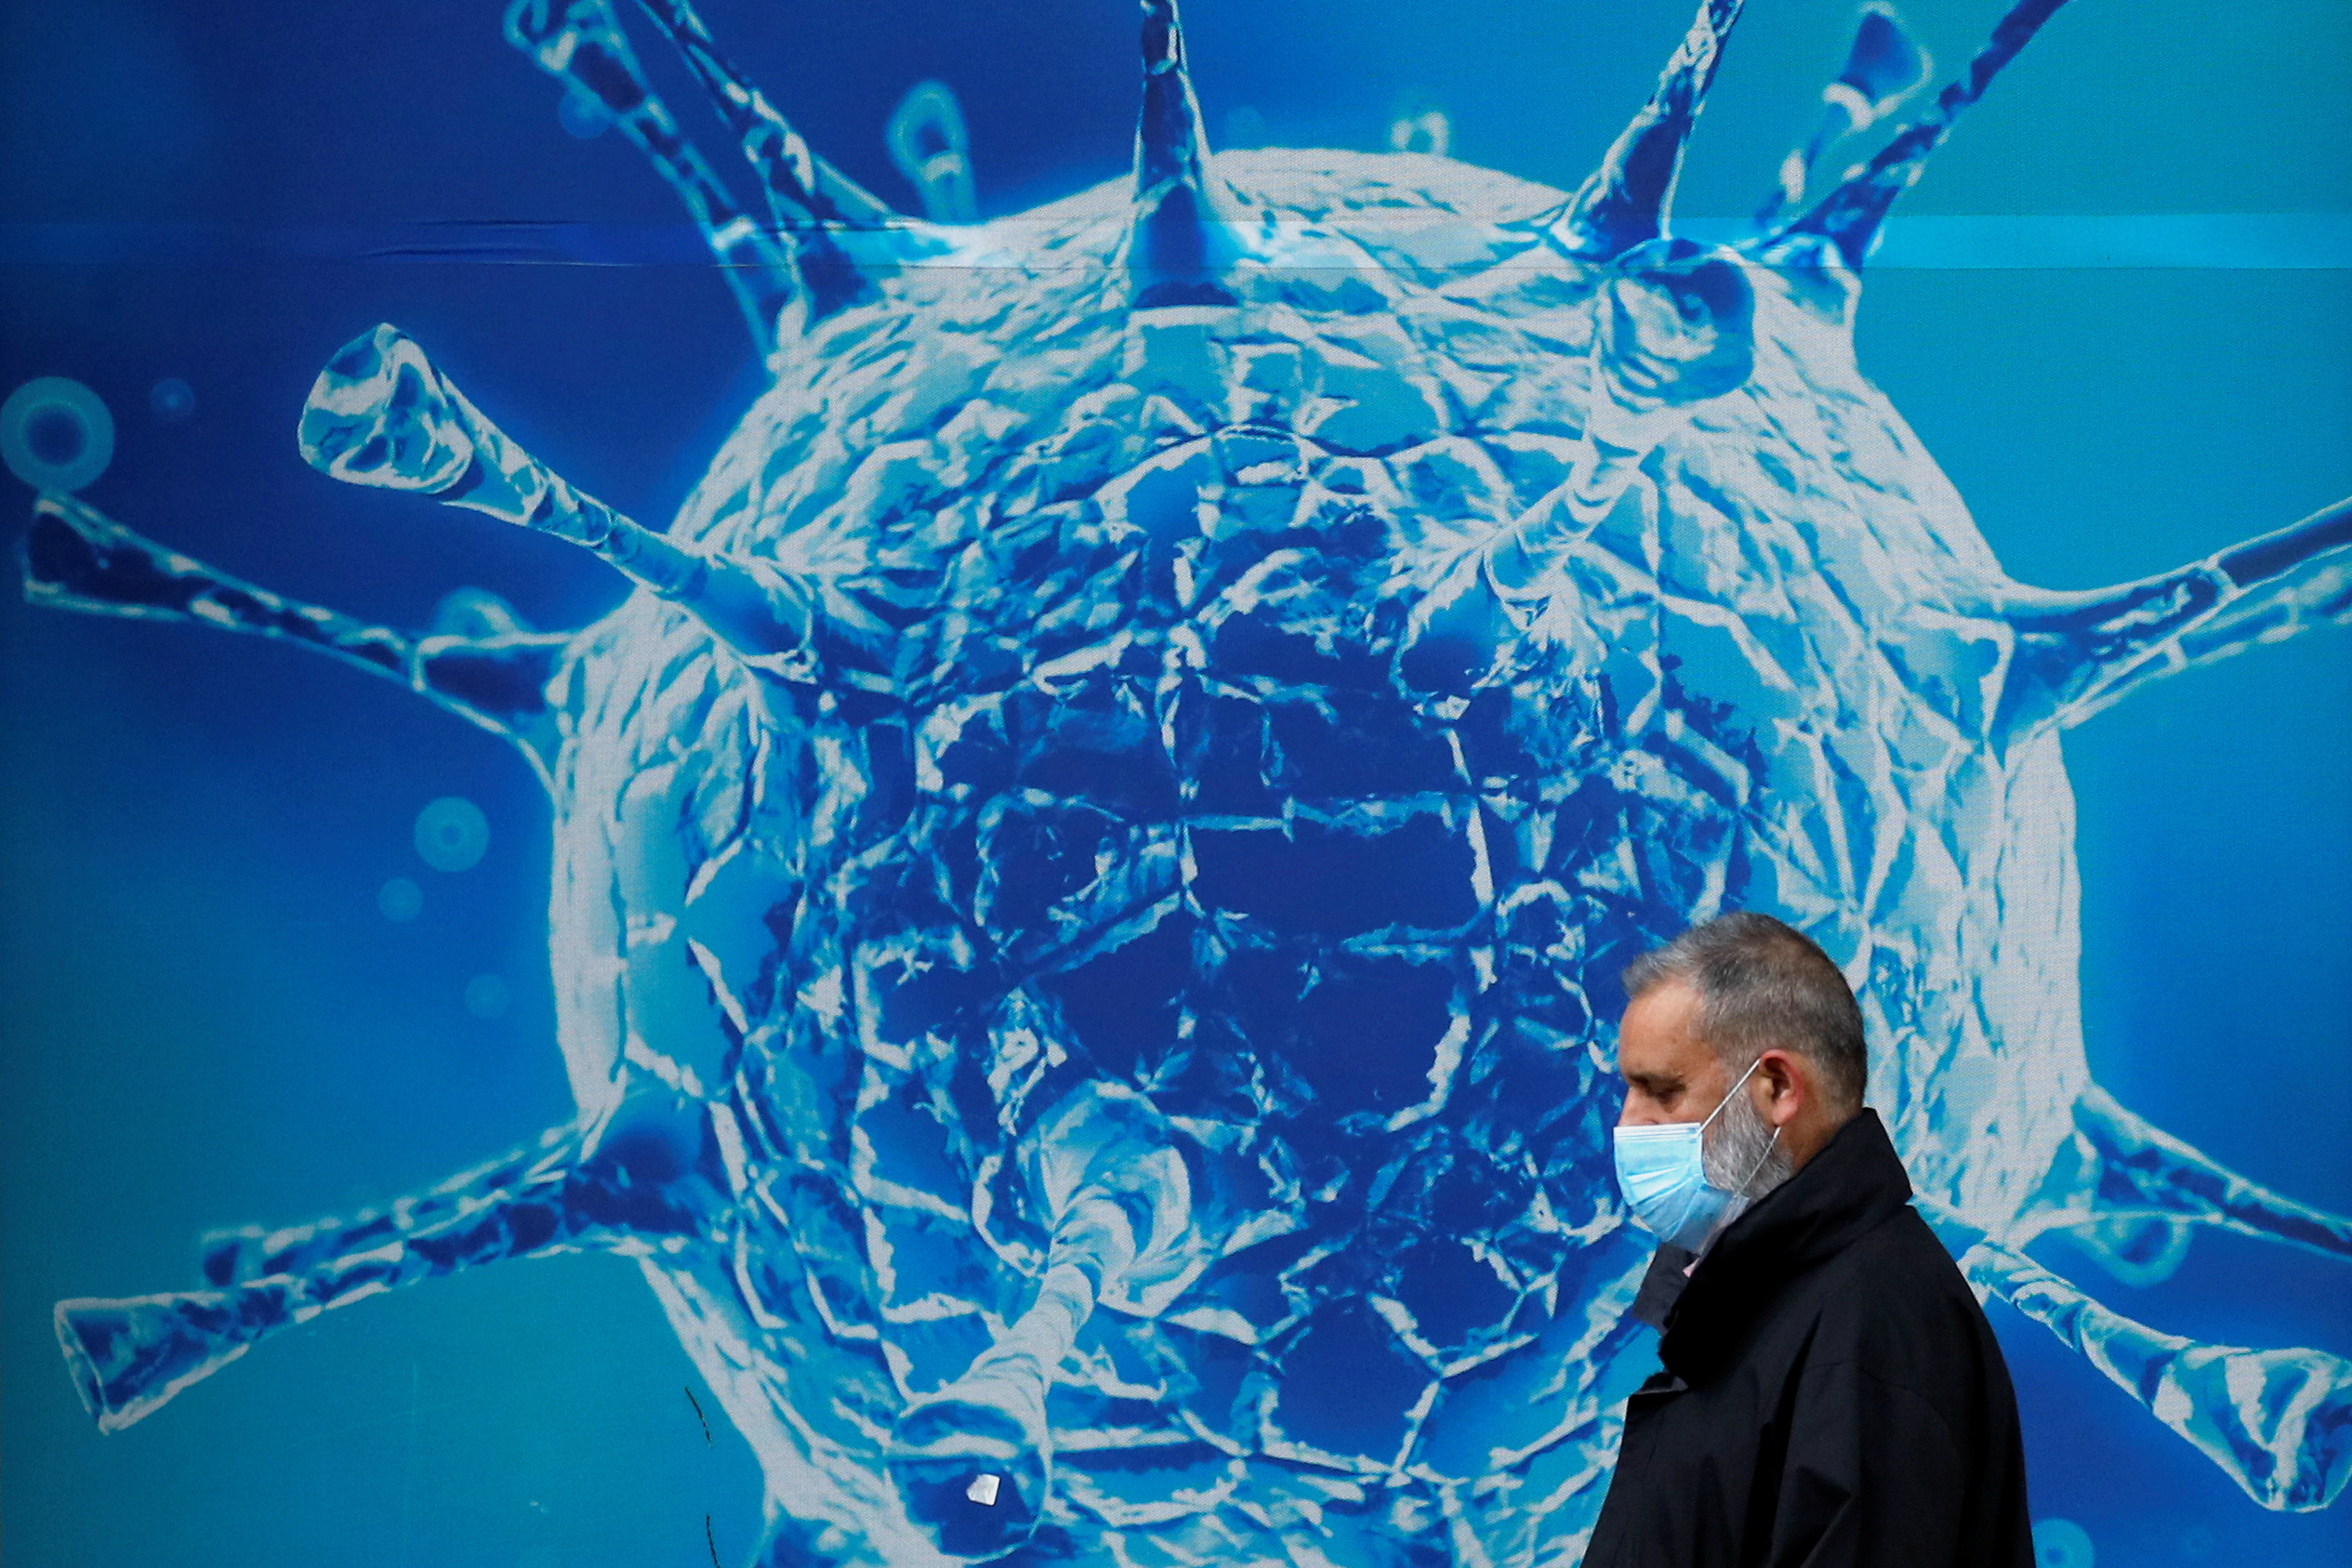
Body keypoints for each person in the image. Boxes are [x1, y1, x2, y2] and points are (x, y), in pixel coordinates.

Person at [1583, 911, 2035, 1567]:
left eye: (1662, 1090)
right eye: (1627, 1090)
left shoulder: (1872, 1328)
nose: (1629, 1123)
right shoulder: (1754, 1315)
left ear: (1775, 1088)